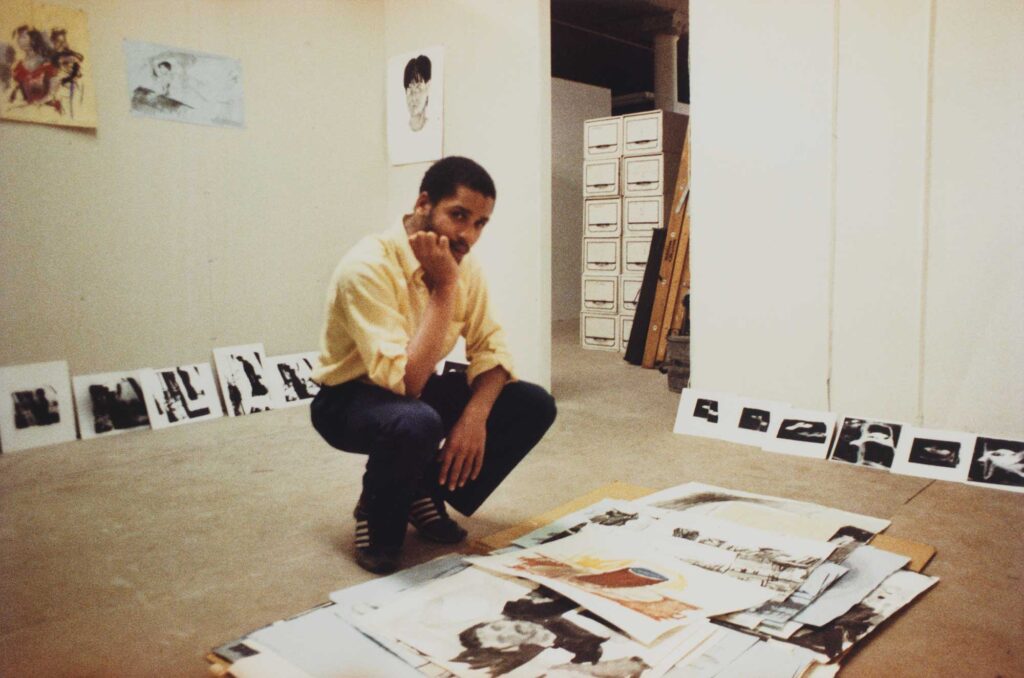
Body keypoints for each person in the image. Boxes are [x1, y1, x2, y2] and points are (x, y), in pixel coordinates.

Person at [310, 156, 557, 574]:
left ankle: (421, 487)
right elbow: (404, 383)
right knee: (416, 421)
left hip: (416, 391)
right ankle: (377, 509)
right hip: (348, 399)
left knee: (532, 403)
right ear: (424, 203)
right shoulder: (367, 266)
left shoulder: (463, 262)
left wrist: (475, 416)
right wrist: (444, 287)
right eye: (458, 216)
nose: (468, 236)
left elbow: (492, 346)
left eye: (480, 224)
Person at [403, 54, 431, 132]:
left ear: (428, 87)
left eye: (418, 88)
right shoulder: (399, 130)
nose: (413, 97)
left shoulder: (432, 128)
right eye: (409, 89)